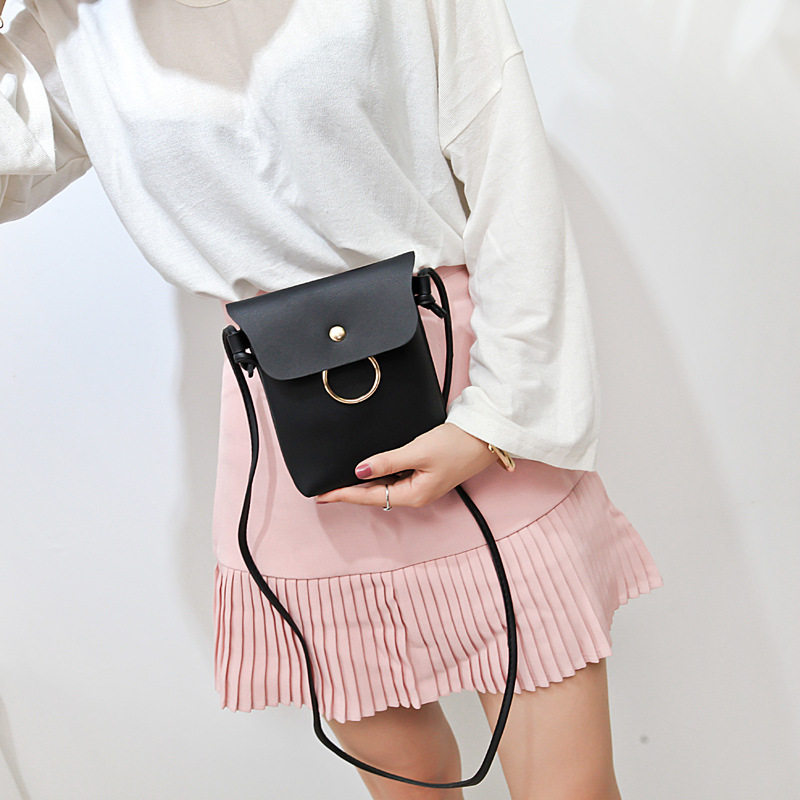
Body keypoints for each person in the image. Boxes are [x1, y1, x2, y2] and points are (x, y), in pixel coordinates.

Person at [1, 1, 664, 797]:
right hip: (292, 438)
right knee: (409, 781)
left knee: (569, 789)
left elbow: (507, 169)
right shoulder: (73, 24)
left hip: (470, 395)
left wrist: (496, 418)